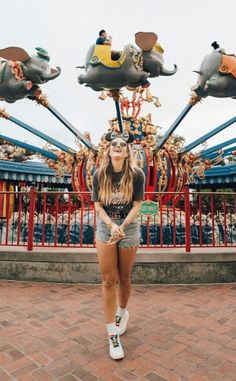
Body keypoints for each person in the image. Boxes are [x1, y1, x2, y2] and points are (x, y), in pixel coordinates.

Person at [92, 131, 145, 360]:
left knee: (124, 276)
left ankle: (122, 313)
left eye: (122, 145)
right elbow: (97, 206)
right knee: (107, 280)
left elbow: (137, 205)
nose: (118, 146)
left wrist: (121, 225)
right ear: (108, 150)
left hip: (129, 227)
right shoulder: (99, 174)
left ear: (127, 151)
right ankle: (112, 334)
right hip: (106, 228)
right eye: (114, 144)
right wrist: (112, 225)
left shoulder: (136, 174)